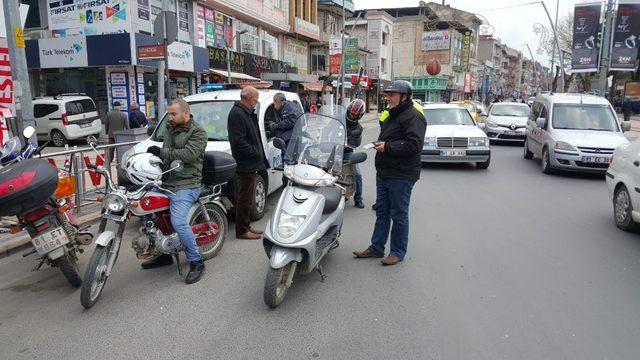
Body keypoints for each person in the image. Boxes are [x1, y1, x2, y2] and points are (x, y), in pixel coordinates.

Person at [353, 80, 426, 266]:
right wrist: (381, 144)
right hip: (385, 172)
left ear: (404, 97)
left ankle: (397, 252)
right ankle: (376, 247)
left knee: (399, 214)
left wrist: (388, 147)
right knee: (382, 212)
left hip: (401, 174)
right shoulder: (392, 114)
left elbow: (414, 145)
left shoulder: (413, 116)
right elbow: (389, 137)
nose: (388, 98)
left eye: (392, 95)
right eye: (388, 94)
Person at [145, 99, 208, 284]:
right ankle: (164, 252)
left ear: (185, 114)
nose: (169, 117)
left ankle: (197, 261)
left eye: (173, 114)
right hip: (167, 179)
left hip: (187, 182)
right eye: (169, 114)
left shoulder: (198, 132)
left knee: (178, 221)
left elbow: (189, 155)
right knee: (147, 211)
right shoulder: (170, 128)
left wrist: (162, 152)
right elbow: (165, 151)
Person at [228, 86, 270, 240]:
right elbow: (238, 141)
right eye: (255, 99)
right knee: (244, 198)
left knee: (247, 197)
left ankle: (246, 226)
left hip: (251, 162)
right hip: (245, 163)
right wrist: (255, 152)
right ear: (248, 98)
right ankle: (242, 231)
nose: (256, 102)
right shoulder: (237, 114)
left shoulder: (246, 112)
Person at [269, 93, 303, 185]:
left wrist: (277, 125)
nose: (274, 105)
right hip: (287, 143)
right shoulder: (284, 108)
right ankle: (287, 187)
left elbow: (293, 120)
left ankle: (290, 189)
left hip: (291, 143)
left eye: (274, 103)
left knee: (290, 169)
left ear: (278, 101)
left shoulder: (289, 107)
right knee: (287, 169)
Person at [345, 99, 365, 209]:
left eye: (354, 115)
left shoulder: (358, 128)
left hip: (347, 152)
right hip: (333, 150)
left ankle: (358, 198)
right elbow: (328, 129)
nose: (352, 116)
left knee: (357, 174)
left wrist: (354, 138)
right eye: (351, 113)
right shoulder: (339, 118)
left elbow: (356, 144)